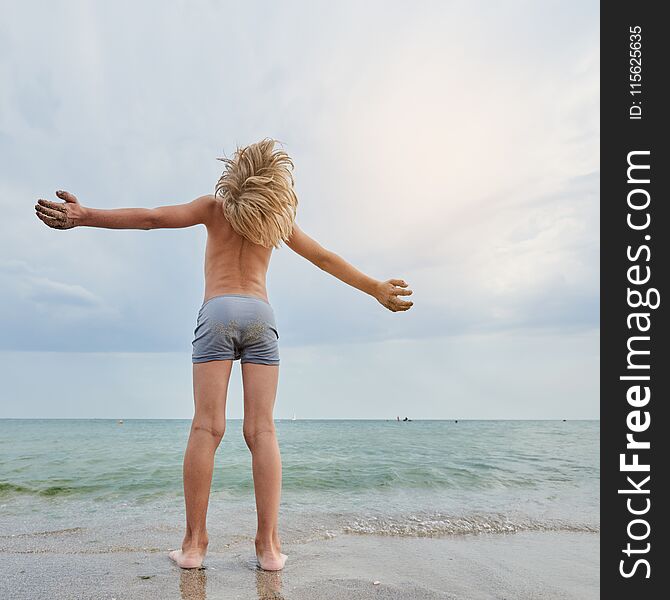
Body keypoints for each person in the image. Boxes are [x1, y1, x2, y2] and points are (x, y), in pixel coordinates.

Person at [34, 138, 413, 571]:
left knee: (206, 428)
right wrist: (376, 289)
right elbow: (324, 259)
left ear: (236, 173)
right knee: (262, 432)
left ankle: (194, 545)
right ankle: (268, 548)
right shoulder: (275, 220)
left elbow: (152, 219)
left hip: (217, 312)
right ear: (275, 181)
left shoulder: (214, 209)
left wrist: (85, 216)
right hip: (258, 313)